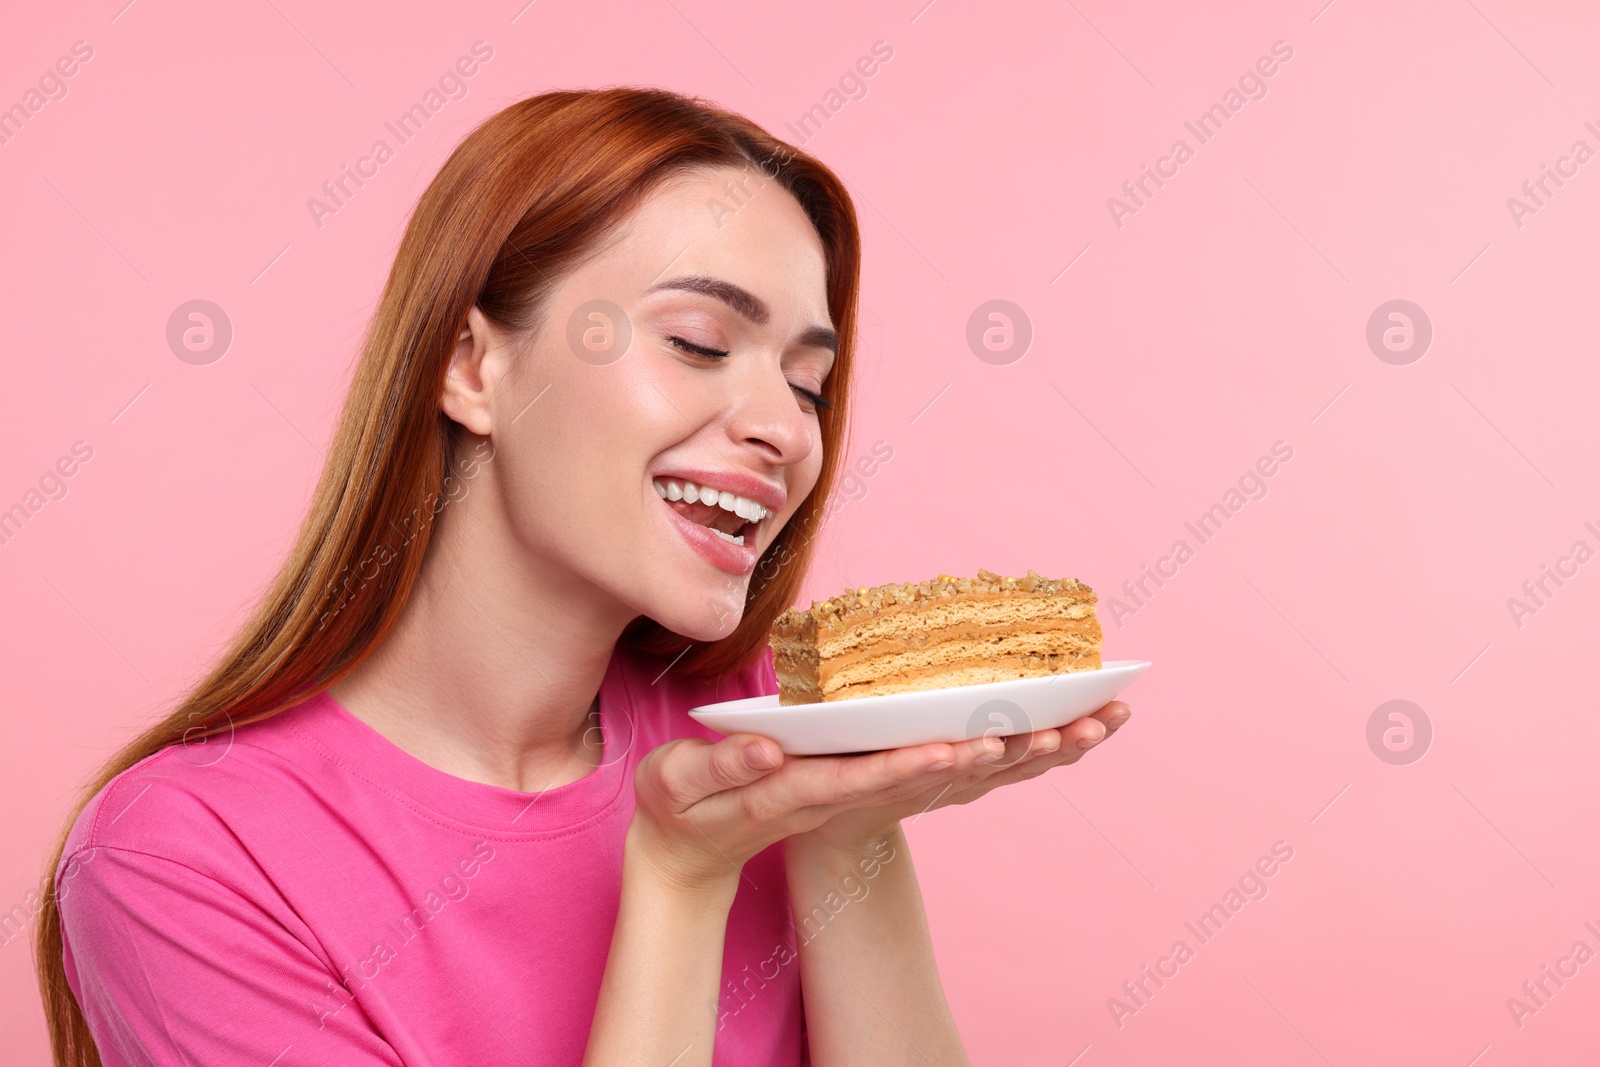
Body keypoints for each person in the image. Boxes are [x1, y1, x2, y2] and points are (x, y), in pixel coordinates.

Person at [35, 87, 1132, 1066]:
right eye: (700, 341)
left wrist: (849, 824)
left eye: (806, 380)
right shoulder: (182, 866)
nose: (782, 430)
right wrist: (680, 876)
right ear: (473, 365)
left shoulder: (751, 734)